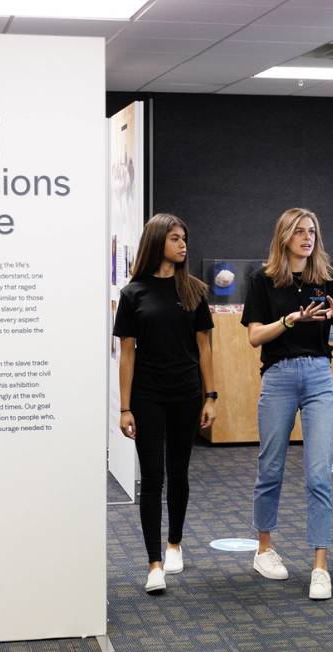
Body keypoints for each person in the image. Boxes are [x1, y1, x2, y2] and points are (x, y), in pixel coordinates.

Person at [241, 207, 333, 600]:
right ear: (284, 236)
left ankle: (320, 566)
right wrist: (288, 321)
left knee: (319, 473)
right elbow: (255, 337)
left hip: (319, 374)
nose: (308, 238)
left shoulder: (329, 275)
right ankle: (264, 548)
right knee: (270, 466)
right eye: (300, 232)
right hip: (279, 375)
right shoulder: (263, 278)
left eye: (312, 232)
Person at [113, 213, 217, 594]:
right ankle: (153, 563)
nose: (183, 244)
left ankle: (175, 543)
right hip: (147, 395)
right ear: (158, 241)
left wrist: (211, 396)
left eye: (184, 238)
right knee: (152, 477)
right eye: (175, 238)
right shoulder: (133, 293)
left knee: (179, 471)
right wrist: (124, 408)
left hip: (187, 393)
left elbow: (205, 347)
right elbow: (127, 354)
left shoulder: (193, 290)